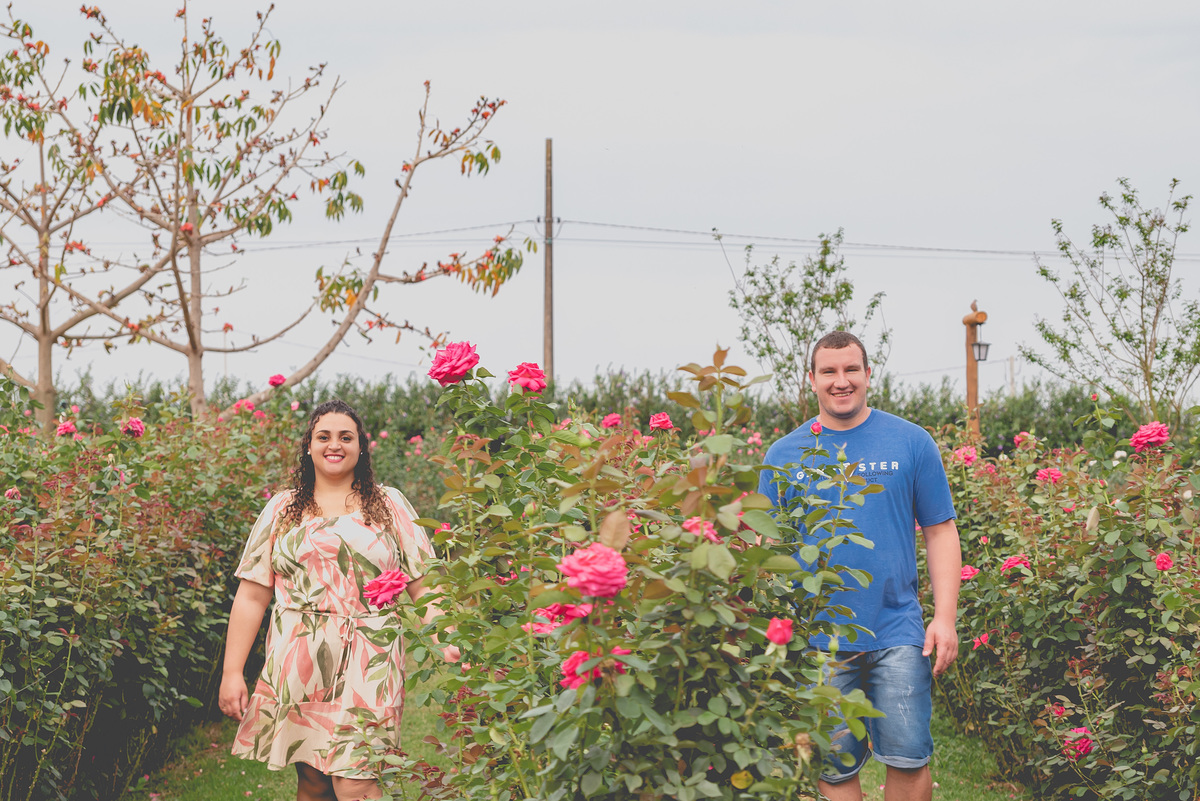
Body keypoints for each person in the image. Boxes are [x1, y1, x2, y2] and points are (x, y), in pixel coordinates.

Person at [219, 399, 458, 801]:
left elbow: (424, 583)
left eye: (346, 437)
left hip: (372, 657)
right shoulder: (283, 509)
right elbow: (253, 595)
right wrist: (232, 672)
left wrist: (445, 636)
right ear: (309, 446)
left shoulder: (389, 504)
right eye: (324, 436)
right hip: (300, 657)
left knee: (357, 782)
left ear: (361, 447)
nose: (335, 444)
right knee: (314, 782)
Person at [758, 332, 961, 801]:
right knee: (832, 769)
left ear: (868, 374)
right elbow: (766, 545)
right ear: (812, 380)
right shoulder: (784, 455)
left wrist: (945, 618)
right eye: (828, 371)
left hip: (898, 630)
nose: (841, 381)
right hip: (817, 637)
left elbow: (940, 531)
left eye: (851, 369)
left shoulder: (911, 442)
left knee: (908, 757)